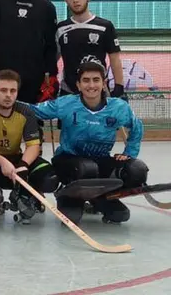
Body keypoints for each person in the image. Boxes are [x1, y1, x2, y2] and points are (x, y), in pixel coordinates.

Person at [28, 62, 146, 224]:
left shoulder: (118, 107)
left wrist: (129, 154)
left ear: (104, 83)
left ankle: (101, 198)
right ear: (78, 85)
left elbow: (137, 126)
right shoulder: (66, 103)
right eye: (86, 80)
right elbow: (34, 110)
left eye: (96, 80)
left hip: (101, 160)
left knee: (136, 170)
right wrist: (0, 102)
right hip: (68, 159)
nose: (91, 85)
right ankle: (68, 195)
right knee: (87, 168)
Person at [0, 69, 59, 224]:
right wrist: (1, 161)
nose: (8, 95)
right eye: (3, 90)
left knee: (49, 177)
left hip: (15, 158)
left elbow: (33, 145)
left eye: (13, 91)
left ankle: (26, 196)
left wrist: (23, 165)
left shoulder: (25, 111)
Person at [57, 0, 124, 98]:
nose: (76, 0)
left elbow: (115, 59)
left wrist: (119, 87)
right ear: (66, 1)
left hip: (97, 92)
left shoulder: (105, 26)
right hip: (69, 92)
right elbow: (54, 56)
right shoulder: (61, 28)